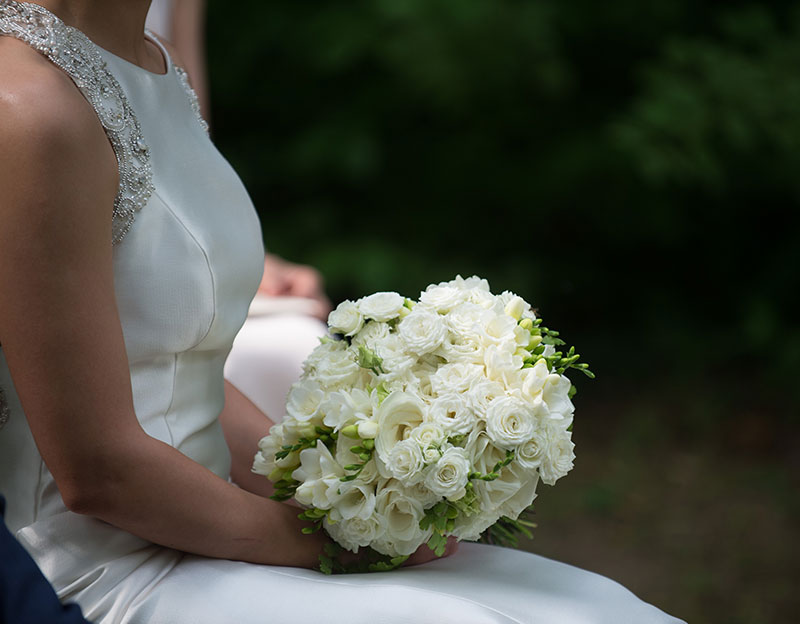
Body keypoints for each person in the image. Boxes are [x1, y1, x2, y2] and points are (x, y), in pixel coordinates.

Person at [0, 1, 685, 622]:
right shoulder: (30, 107)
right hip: (106, 569)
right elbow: (97, 471)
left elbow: (182, 374)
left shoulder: (156, 66)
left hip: (210, 529)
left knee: (597, 610)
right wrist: (318, 542)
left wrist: (356, 494)